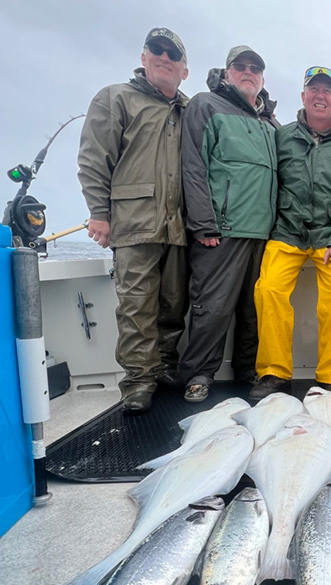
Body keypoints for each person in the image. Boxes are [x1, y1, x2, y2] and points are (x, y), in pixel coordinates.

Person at [78, 27, 190, 413]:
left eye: (172, 54)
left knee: (174, 305)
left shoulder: (189, 110)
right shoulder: (115, 98)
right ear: (143, 58)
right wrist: (99, 214)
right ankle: (138, 380)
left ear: (184, 70)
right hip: (133, 223)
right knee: (137, 305)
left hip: (179, 228)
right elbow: (94, 160)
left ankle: (164, 367)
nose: (164, 57)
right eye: (155, 50)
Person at [250, 66, 331, 399]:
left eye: (327, 90)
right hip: (287, 234)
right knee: (269, 288)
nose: (320, 95)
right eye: (313, 89)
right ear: (303, 96)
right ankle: (274, 372)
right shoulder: (281, 136)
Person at [179, 45, 279, 402]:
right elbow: (193, 165)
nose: (248, 71)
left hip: (263, 233)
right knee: (213, 306)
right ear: (227, 74)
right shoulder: (205, 105)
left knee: (255, 309)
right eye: (240, 66)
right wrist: (204, 223)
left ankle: (247, 368)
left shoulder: (269, 123)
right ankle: (199, 373)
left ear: (263, 78)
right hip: (222, 230)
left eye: (255, 67)